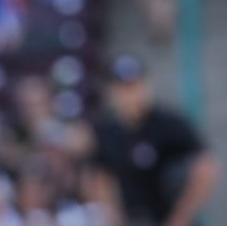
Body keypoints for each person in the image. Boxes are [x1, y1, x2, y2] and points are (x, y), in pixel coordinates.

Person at [91, 55, 219, 226]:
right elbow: (98, 175)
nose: (130, 94)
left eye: (135, 85)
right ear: (111, 91)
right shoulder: (107, 130)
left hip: (168, 216)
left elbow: (206, 167)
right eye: (124, 88)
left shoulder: (169, 124)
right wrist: (112, 213)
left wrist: (181, 217)